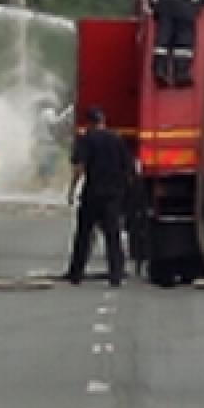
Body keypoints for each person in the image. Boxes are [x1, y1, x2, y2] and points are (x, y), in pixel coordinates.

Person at [65, 106, 133, 287]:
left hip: (93, 193)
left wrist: (72, 190)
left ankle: (76, 273)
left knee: (84, 234)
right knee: (113, 235)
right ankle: (116, 274)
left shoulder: (86, 139)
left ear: (89, 123)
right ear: (103, 121)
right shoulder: (117, 139)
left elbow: (79, 167)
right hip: (113, 194)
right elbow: (128, 168)